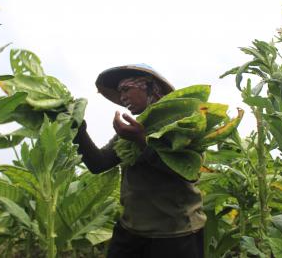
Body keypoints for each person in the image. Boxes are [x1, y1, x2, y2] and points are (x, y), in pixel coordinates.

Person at [74, 64, 206, 258]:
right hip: (130, 231)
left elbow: (188, 171)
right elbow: (99, 164)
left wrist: (141, 141)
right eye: (119, 93)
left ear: (150, 88)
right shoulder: (131, 132)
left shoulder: (182, 124)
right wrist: (78, 130)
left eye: (126, 89)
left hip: (176, 234)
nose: (122, 97)